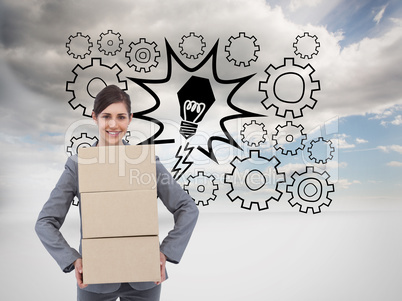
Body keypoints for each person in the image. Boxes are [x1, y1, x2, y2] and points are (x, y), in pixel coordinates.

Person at [35, 85, 199, 301]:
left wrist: (165, 252)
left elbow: (187, 208)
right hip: (95, 278)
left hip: (144, 278)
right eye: (106, 116)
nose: (114, 124)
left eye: (121, 117)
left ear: (130, 119)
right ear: (94, 118)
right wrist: (73, 259)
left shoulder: (146, 163)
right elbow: (45, 222)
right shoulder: (78, 165)